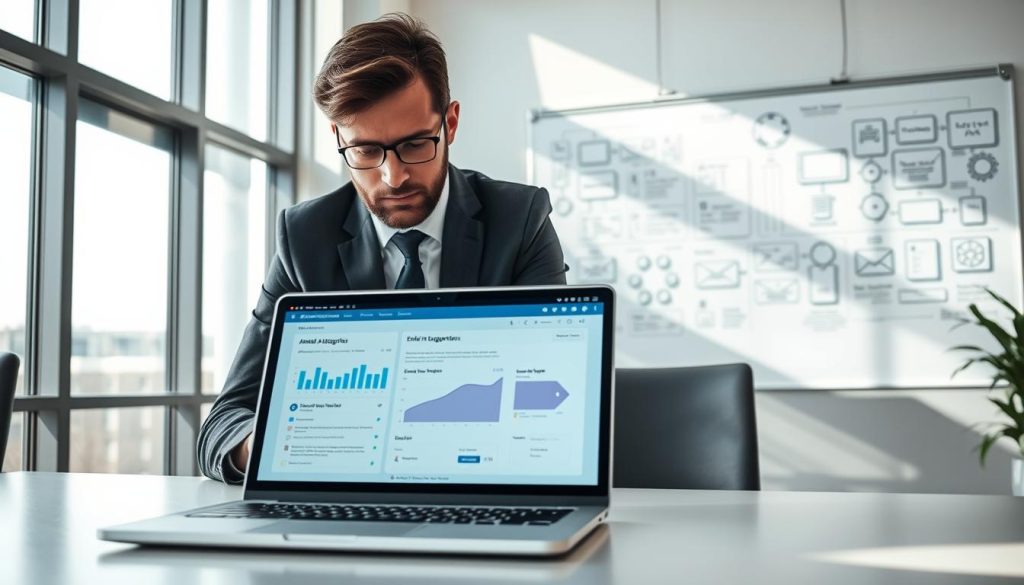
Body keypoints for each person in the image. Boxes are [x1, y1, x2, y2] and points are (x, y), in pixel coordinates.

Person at [197, 13, 567, 483]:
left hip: (479, 486)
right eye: (367, 151)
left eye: (415, 144)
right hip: (342, 509)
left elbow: (551, 397)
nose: (393, 177)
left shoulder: (519, 220)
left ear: (450, 123)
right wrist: (287, 444)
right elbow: (224, 424)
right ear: (337, 138)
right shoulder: (305, 236)